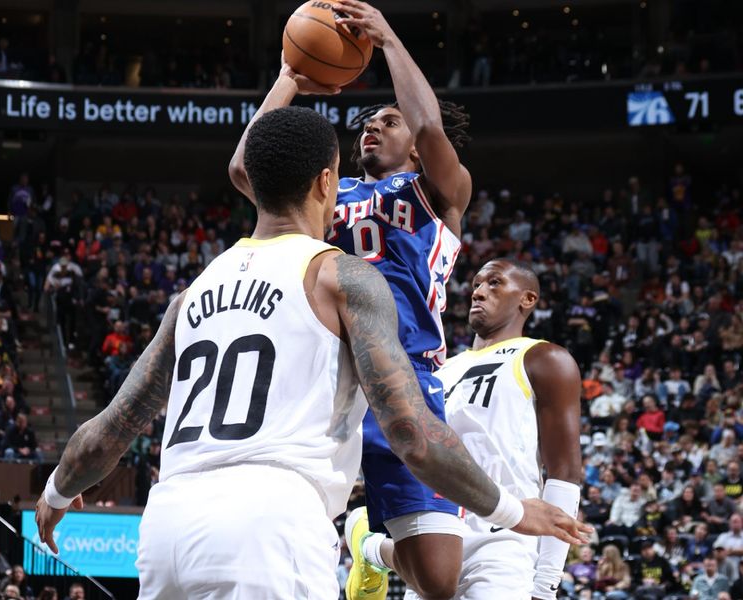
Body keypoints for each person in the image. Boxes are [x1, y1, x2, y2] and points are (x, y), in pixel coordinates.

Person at [36, 107, 589, 600]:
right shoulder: (341, 275)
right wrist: (513, 511)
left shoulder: (192, 292)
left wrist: (60, 488)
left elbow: (110, 427)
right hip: (272, 521)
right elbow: (410, 432)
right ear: (328, 182)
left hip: (166, 526)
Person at [229, 2, 475, 597]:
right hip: (321, 377)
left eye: (386, 122)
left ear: (413, 147)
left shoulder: (439, 191)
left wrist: (389, 41)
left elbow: (432, 129)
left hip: (405, 373)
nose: (370, 127)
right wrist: (287, 80)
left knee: (440, 583)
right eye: (364, 122)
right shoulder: (323, 196)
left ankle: (369, 542)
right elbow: (244, 169)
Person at [396, 259, 582, 599]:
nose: (478, 292)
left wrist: (545, 585)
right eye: (477, 284)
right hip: (438, 536)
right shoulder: (439, 372)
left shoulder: (544, 358)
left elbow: (565, 472)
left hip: (503, 540)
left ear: (527, 299)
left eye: (494, 283)